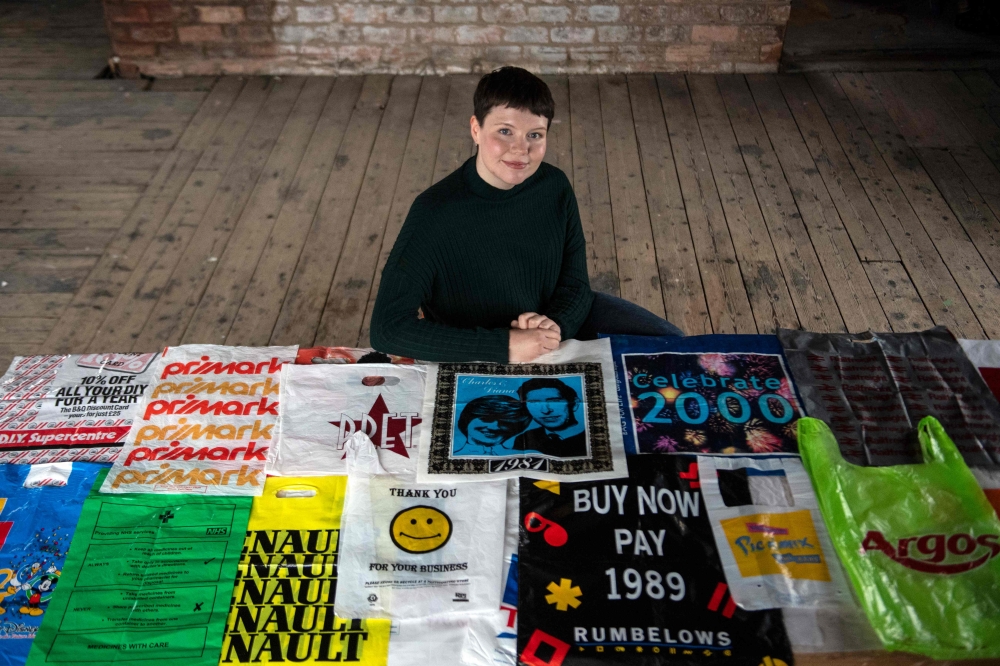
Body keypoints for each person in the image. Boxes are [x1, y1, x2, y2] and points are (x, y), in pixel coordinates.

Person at [370, 66, 683, 364]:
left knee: (678, 347)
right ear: (476, 129)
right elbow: (387, 329)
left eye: (534, 135)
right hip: (478, 345)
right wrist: (505, 344)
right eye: (505, 131)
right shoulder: (434, 212)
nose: (521, 149)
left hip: (556, 325)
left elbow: (575, 283)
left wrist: (554, 326)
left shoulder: (555, 186)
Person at [512, 378, 587, 457]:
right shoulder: (524, 438)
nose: (545, 410)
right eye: (535, 403)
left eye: (554, 401)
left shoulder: (590, 437)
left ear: (574, 404)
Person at [454, 394, 533, 456]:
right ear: (467, 420)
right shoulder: (454, 456)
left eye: (505, 423)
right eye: (487, 419)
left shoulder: (528, 455)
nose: (494, 427)